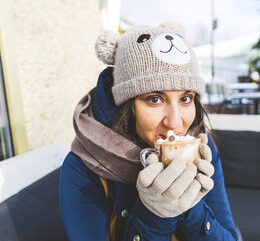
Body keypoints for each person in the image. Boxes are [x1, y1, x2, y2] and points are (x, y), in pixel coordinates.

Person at [59, 22, 239, 241]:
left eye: (185, 98)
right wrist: (156, 213)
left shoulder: (202, 144)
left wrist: (190, 205)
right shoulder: (84, 166)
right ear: (127, 105)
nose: (174, 122)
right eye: (155, 99)